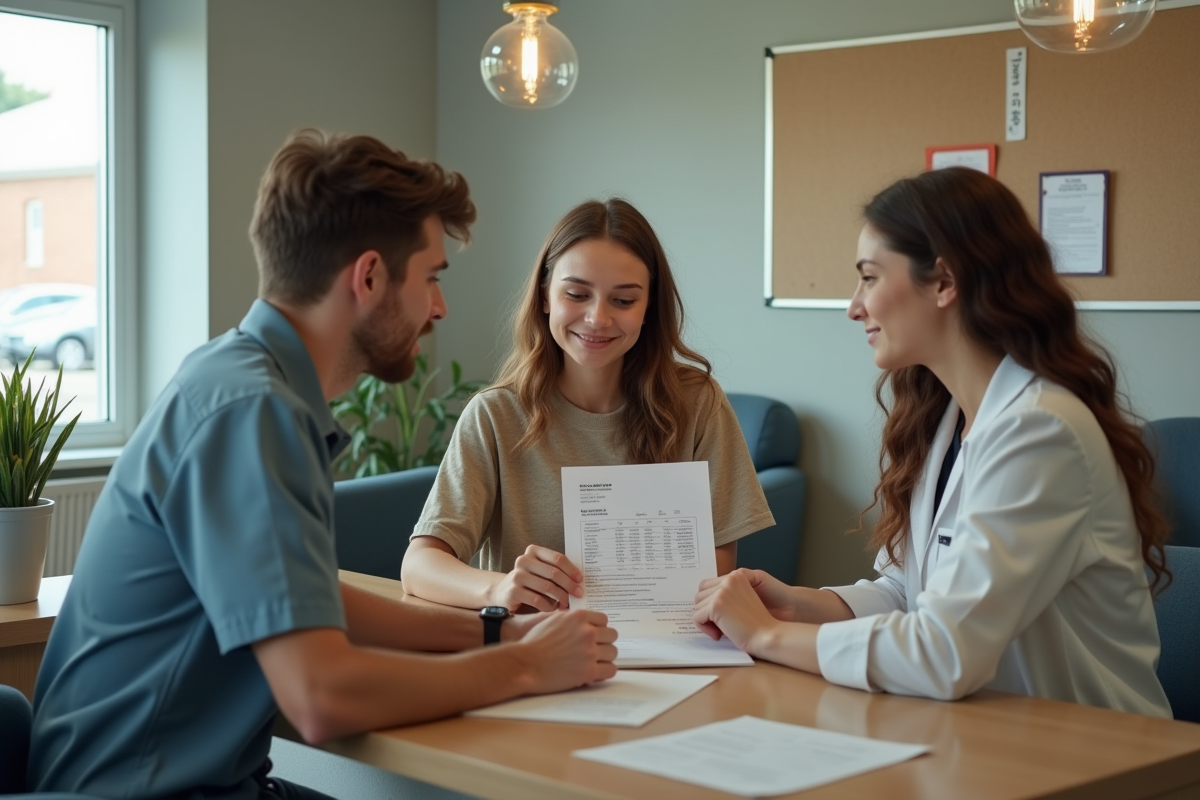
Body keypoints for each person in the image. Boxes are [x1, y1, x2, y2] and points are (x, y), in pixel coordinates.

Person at [27, 130, 618, 799]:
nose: (440, 308)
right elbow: (320, 696)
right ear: (368, 277)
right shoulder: (253, 414)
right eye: (431, 279)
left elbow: (309, 598)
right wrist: (525, 667)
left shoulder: (236, 376)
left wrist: (493, 632)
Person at [691, 167, 1172, 717]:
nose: (854, 306)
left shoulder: (1041, 430)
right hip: (979, 733)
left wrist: (765, 638)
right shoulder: (944, 418)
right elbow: (906, 594)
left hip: (1090, 750)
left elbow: (944, 653)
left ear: (944, 282)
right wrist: (794, 604)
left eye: (869, 278)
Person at [401, 198, 774, 612]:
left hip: (668, 655)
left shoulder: (699, 403)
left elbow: (716, 570)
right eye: (577, 294)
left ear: (649, 307)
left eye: (623, 300)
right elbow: (419, 565)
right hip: (534, 654)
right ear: (545, 297)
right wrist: (500, 589)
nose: (597, 318)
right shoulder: (495, 415)